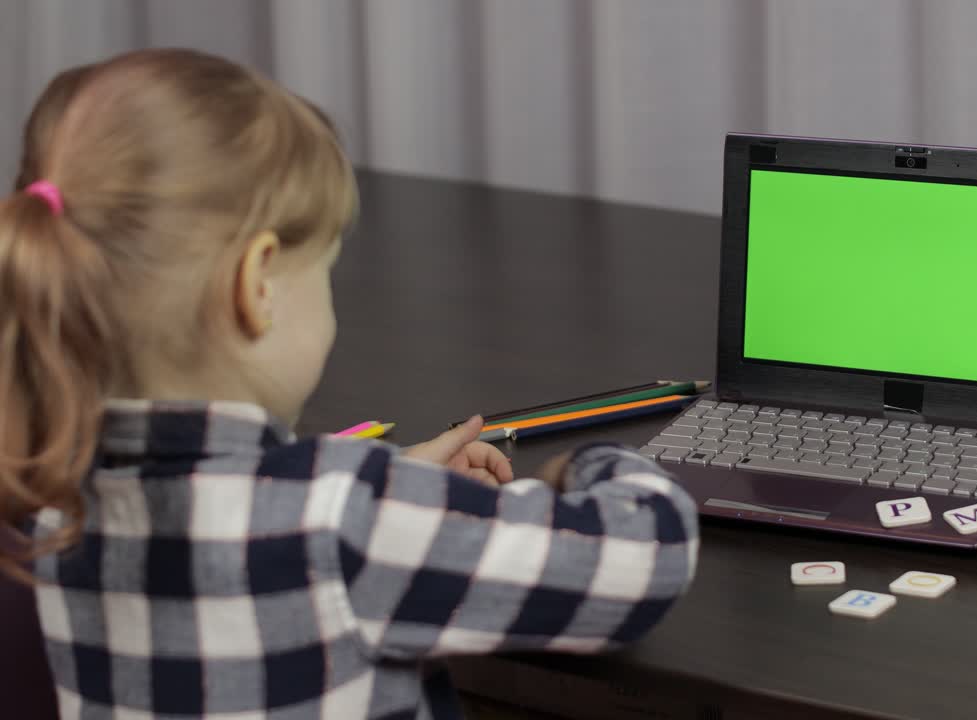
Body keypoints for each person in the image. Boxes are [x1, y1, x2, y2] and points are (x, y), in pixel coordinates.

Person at [0, 48, 699, 719]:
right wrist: (583, 466)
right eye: (325, 268)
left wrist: (382, 479)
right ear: (257, 285)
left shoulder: (48, 508)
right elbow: (652, 556)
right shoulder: (344, 521)